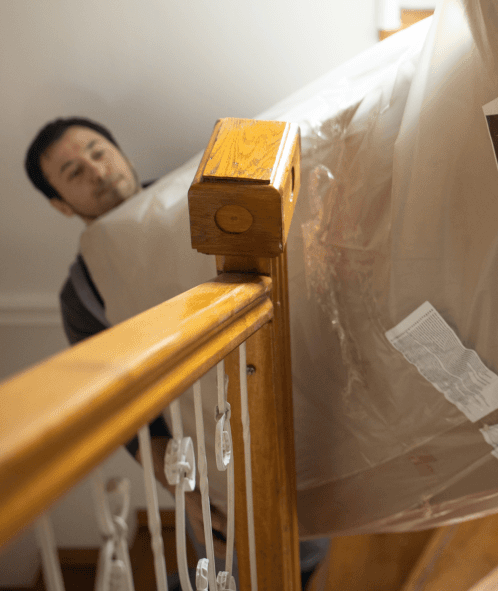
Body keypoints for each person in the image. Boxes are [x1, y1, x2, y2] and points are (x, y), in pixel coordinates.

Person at [25, 117, 328, 588]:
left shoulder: (204, 202)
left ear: (121, 152)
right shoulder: (82, 294)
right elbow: (124, 412)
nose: (96, 171)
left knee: (311, 540)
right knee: (236, 563)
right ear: (61, 204)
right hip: (206, 454)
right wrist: (187, 492)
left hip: (285, 394)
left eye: (97, 152)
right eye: (73, 172)